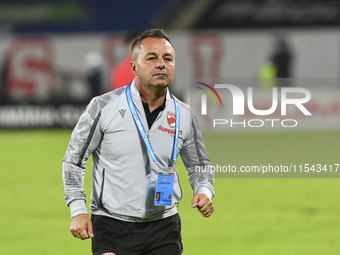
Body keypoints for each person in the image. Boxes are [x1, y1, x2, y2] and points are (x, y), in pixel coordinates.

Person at [62, 28, 214, 255]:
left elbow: (200, 165)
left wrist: (204, 190)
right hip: (112, 227)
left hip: (164, 226)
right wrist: (77, 209)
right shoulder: (103, 107)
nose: (161, 64)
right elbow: (73, 161)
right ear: (133, 66)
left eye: (168, 58)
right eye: (152, 58)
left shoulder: (184, 114)